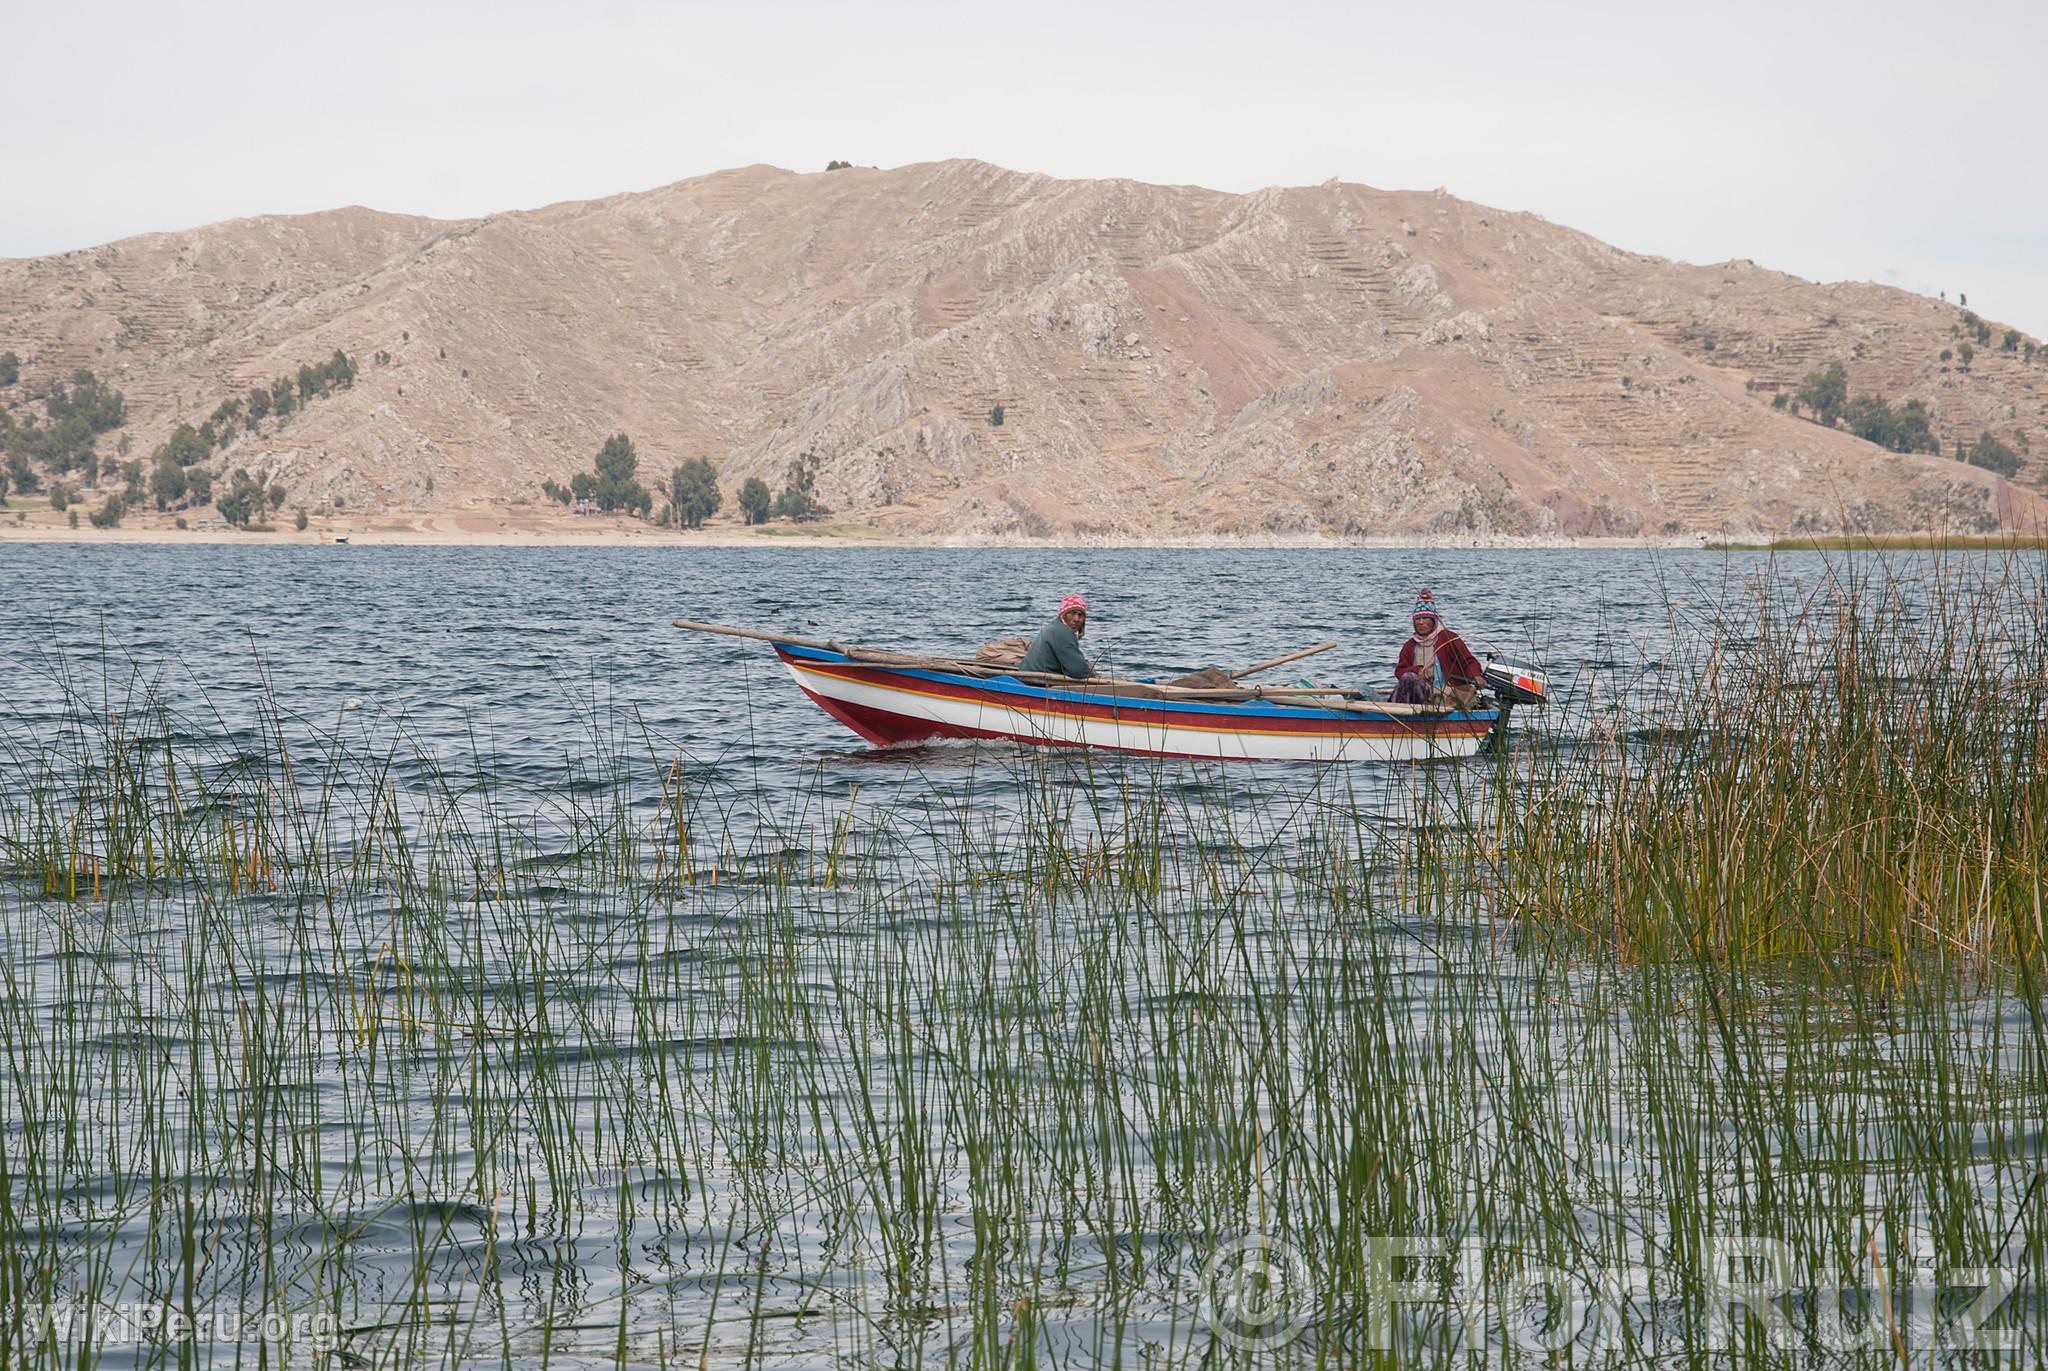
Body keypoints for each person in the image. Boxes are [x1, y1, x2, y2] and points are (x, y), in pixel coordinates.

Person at [1391, 589, 1482, 707]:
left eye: (1425, 618)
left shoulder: (1449, 638)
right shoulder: (1410, 645)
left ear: (1434, 621)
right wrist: (1417, 671)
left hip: (1446, 695)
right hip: (1420, 697)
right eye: (1417, 619)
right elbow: (1399, 671)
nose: (1421, 622)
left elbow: (1469, 662)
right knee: (1409, 678)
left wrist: (1476, 676)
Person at [1019, 594, 1093, 679]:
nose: (1076, 619)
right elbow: (1078, 671)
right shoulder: (1063, 633)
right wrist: (1092, 674)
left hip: (1028, 676)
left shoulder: (1053, 627)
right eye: (1072, 613)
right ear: (1063, 615)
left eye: (1080, 615)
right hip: (1037, 681)